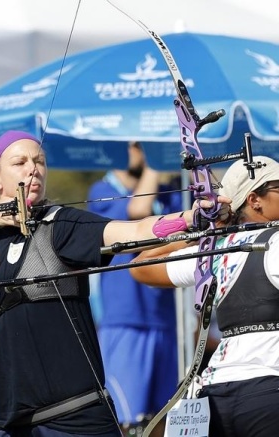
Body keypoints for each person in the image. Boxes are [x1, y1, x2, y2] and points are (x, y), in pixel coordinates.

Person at [0, 130, 227, 437]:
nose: (33, 169)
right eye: (20, 163)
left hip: (76, 417)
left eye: (40, 161)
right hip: (15, 421)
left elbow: (132, 231)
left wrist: (189, 218)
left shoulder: (61, 224)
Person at [129, 156, 279, 437]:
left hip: (217, 393)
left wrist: (204, 234)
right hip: (268, 392)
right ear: (254, 199)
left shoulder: (217, 250)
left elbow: (140, 265)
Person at [87, 142, 182, 436]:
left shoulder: (174, 191)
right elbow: (137, 209)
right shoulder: (101, 190)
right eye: (137, 144)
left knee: (164, 421)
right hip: (124, 323)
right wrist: (156, 161)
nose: (141, 151)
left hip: (166, 322)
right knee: (126, 422)